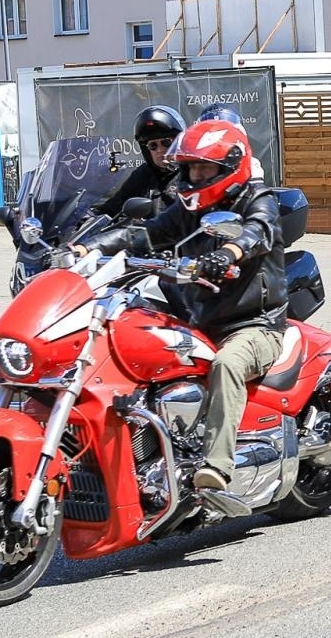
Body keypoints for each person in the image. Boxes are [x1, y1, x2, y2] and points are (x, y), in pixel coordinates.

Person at [84, 119, 287, 497]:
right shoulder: (188, 209)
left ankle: (217, 467)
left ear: (231, 165)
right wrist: (89, 247)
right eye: (192, 167)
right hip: (197, 321)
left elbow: (256, 232)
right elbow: (144, 233)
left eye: (205, 167)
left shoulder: (259, 200)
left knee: (228, 365)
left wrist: (227, 253)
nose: (196, 175)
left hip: (253, 325)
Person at [93, 104, 185, 217]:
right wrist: (88, 220)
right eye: (153, 145)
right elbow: (113, 206)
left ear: (178, 142)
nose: (160, 150)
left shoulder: (189, 174)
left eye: (166, 143)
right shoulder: (144, 174)